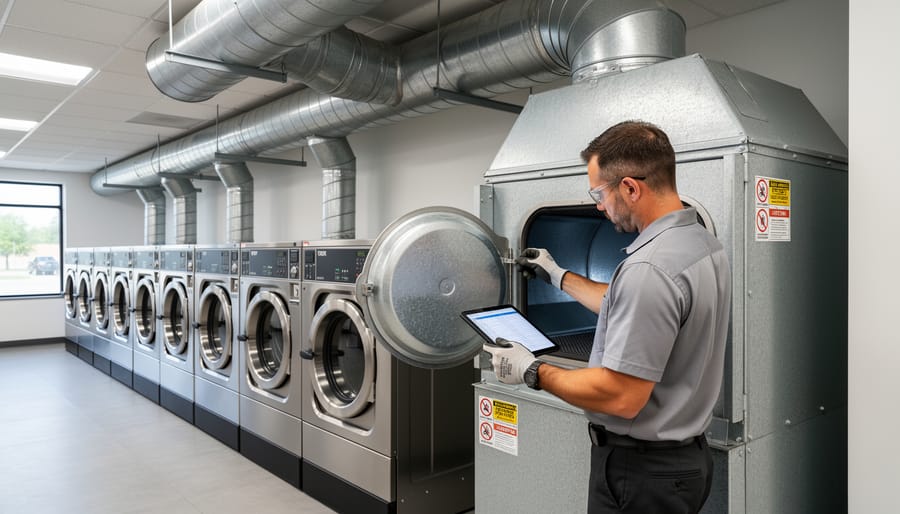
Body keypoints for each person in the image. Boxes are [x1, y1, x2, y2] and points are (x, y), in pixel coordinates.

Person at [482, 120, 732, 514]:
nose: (599, 205)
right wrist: (558, 275)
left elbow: (621, 396)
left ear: (631, 188)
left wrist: (532, 370)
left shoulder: (649, 267)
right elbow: (627, 305)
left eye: (600, 193)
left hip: (642, 473)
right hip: (684, 464)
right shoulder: (700, 244)